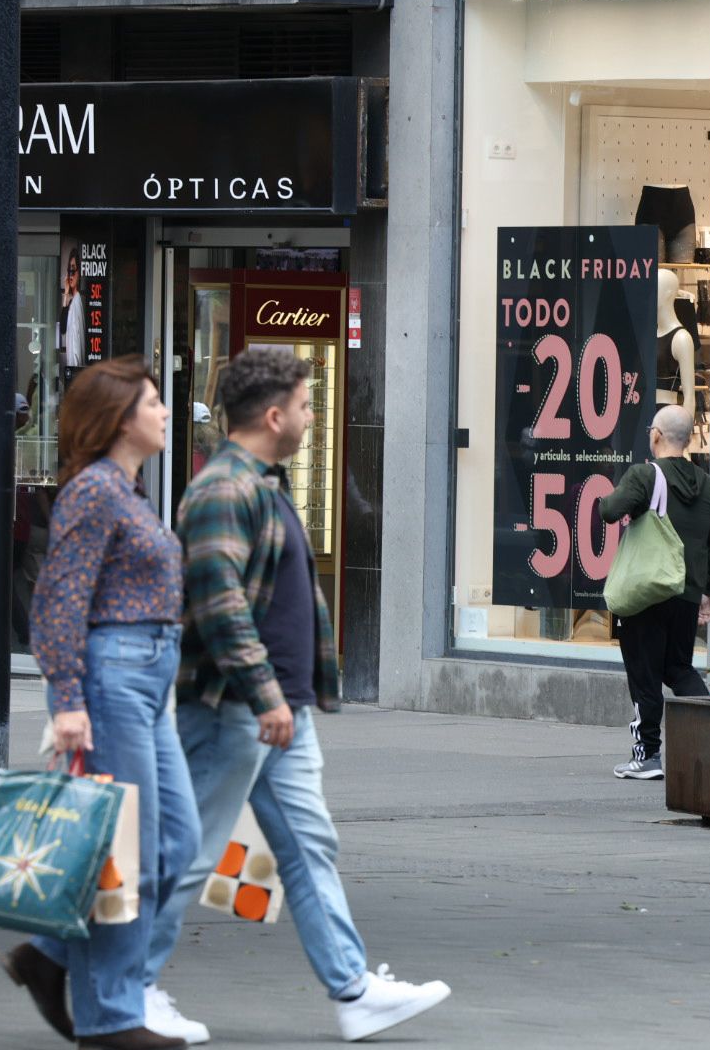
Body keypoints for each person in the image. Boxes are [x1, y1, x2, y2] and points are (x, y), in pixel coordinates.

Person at [140, 348, 450, 1045]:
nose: (313, 418)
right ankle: (127, 986)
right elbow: (219, 603)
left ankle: (353, 990)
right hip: (237, 709)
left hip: (273, 711)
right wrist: (265, 696)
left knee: (309, 846)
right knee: (190, 851)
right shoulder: (225, 489)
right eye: (307, 407)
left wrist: (282, 701)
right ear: (275, 415)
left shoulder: (255, 484)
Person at [1, 355, 201, 1050]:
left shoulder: (127, 491)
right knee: (128, 850)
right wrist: (68, 700)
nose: (165, 411)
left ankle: (49, 955)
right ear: (118, 419)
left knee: (177, 841)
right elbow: (59, 599)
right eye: (152, 402)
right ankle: (110, 1016)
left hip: (147, 676)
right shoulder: (93, 490)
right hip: (114, 675)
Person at [598, 404, 710, 781]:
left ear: (656, 435)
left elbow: (610, 510)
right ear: (687, 440)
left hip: (645, 592)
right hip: (685, 593)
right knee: (679, 668)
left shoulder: (645, 474)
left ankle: (647, 755)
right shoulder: (707, 484)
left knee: (645, 672)